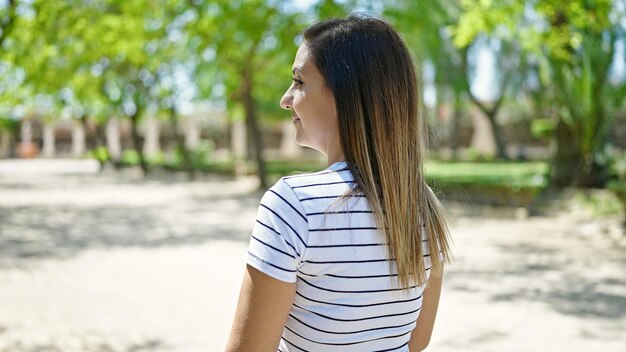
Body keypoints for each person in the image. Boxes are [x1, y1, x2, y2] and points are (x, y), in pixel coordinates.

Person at [226, 14, 452, 352]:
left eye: (299, 81)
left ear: (345, 93)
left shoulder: (292, 204)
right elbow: (415, 342)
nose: (286, 99)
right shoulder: (423, 203)